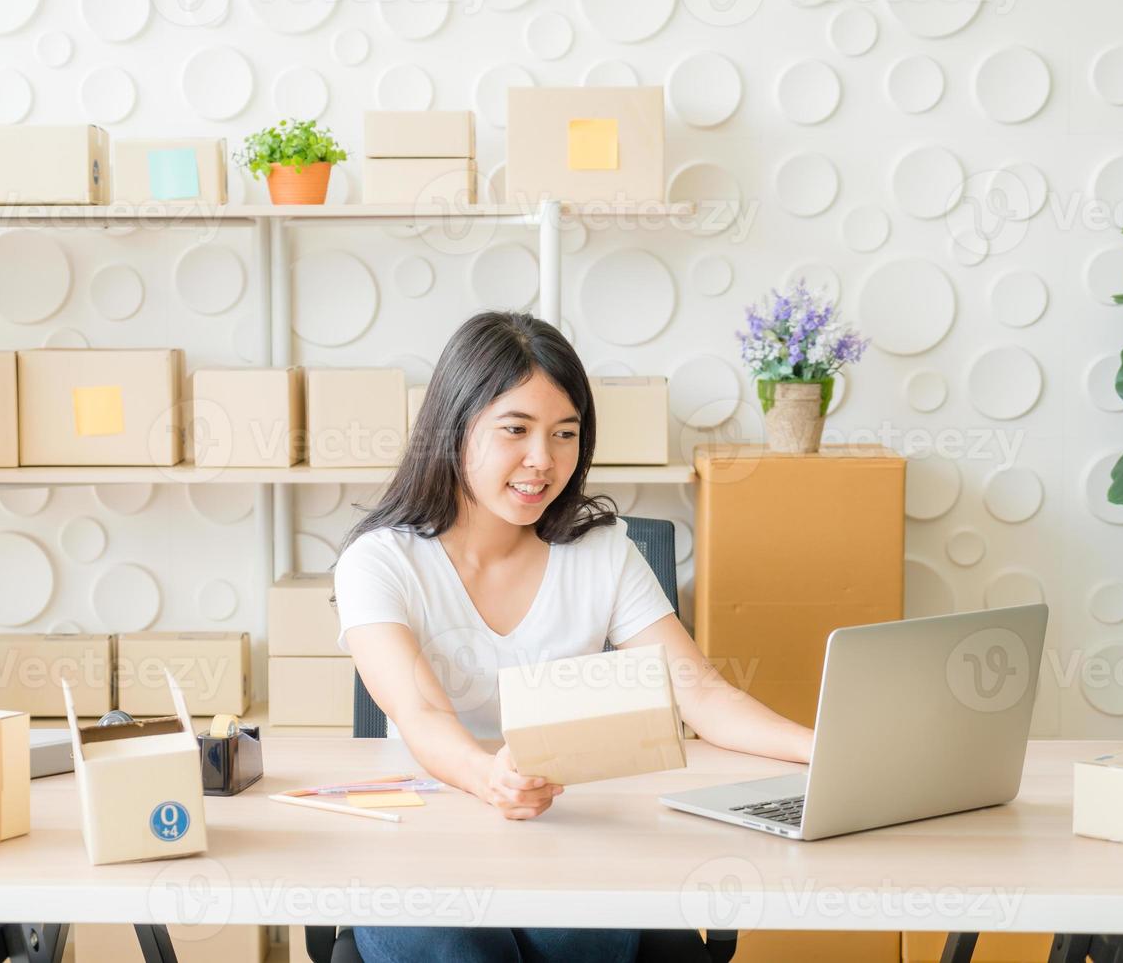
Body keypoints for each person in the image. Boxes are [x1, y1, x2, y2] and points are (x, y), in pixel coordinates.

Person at [332, 311, 815, 963]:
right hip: (427, 835)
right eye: (515, 430)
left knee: (575, 932)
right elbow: (417, 709)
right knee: (445, 942)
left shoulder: (601, 553)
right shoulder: (380, 562)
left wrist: (821, 748)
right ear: (454, 430)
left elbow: (699, 694)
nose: (542, 461)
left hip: (566, 830)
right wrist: (487, 776)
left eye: (565, 433)